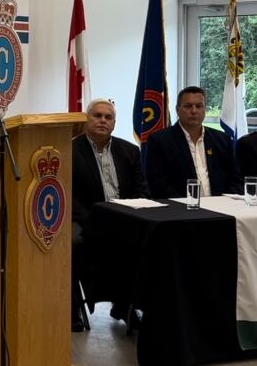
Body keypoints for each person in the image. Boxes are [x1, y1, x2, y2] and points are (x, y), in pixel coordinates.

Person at [72, 98, 149, 331]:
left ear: (114, 123)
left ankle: (126, 304)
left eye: (108, 117)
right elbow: (69, 195)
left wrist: (126, 217)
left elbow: (142, 190)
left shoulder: (130, 151)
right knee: (72, 242)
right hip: (86, 219)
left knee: (148, 239)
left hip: (124, 218)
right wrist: (97, 219)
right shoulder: (70, 150)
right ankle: (72, 307)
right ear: (87, 119)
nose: (103, 121)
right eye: (97, 116)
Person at [145, 86, 241, 198]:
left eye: (199, 106)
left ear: (205, 109)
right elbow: (157, 183)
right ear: (177, 109)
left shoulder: (222, 140)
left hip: (221, 207)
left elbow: (235, 179)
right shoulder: (160, 141)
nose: (194, 111)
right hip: (180, 209)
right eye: (188, 106)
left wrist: (225, 202)